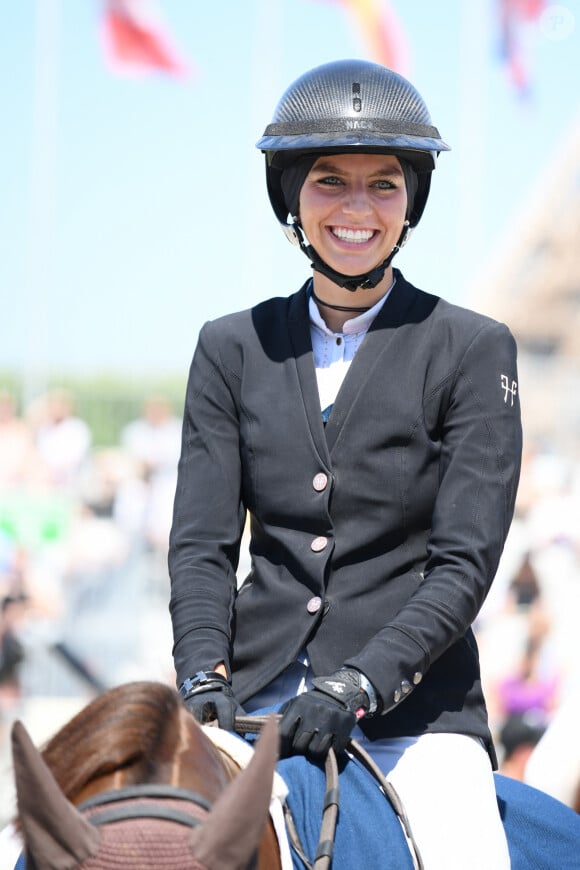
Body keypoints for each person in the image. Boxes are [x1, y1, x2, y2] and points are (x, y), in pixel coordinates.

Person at [169, 59, 522, 869]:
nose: (357, 208)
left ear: (411, 202)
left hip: (414, 725)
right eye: (330, 181)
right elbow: (202, 545)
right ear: (290, 197)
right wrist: (200, 674)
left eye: (384, 185)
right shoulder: (230, 346)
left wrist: (358, 684)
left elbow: (463, 564)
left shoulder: (471, 348)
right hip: (245, 703)